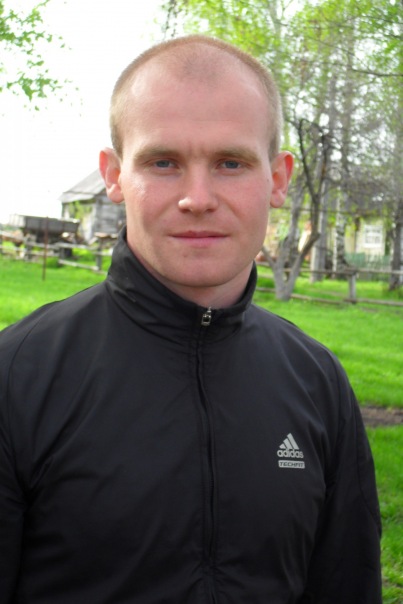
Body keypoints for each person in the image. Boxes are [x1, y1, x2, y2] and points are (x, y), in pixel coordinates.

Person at [0, 35, 382, 603]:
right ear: (114, 175)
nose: (197, 198)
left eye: (230, 163)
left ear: (278, 179)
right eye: (164, 162)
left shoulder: (318, 383)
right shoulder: (17, 376)